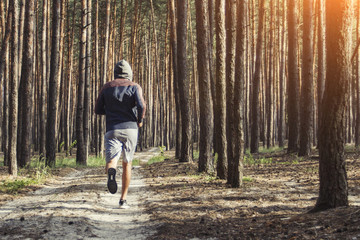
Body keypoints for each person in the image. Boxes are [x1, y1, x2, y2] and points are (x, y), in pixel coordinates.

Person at [95, 60, 146, 209]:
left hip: (113, 128)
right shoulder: (135, 86)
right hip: (130, 128)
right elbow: (142, 105)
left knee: (112, 160)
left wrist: (111, 112)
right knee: (127, 163)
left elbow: (98, 109)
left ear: (115, 72)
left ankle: (112, 171)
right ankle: (123, 200)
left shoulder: (107, 87)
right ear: (129, 73)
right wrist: (140, 120)